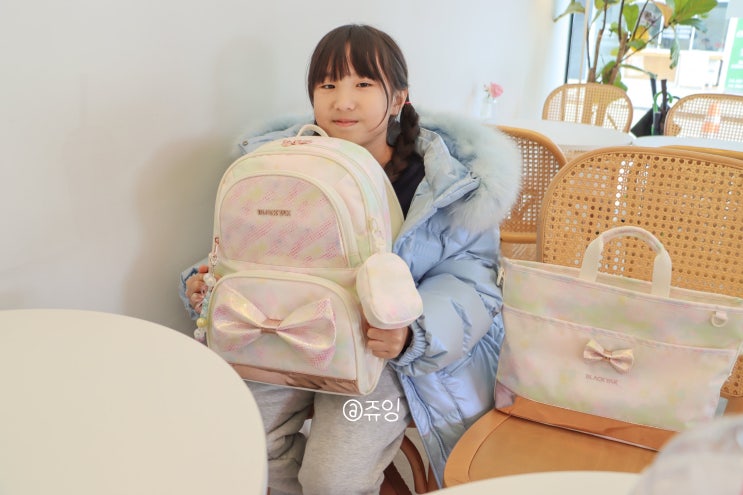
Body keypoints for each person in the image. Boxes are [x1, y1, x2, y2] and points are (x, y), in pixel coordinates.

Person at [179, 24, 521, 494]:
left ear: (398, 98)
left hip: (387, 365)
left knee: (332, 477)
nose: (343, 102)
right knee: (240, 442)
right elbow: (255, 253)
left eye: (363, 84)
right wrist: (208, 284)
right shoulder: (286, 166)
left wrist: (412, 334)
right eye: (328, 85)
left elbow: (473, 281)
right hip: (287, 340)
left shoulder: (443, 182)